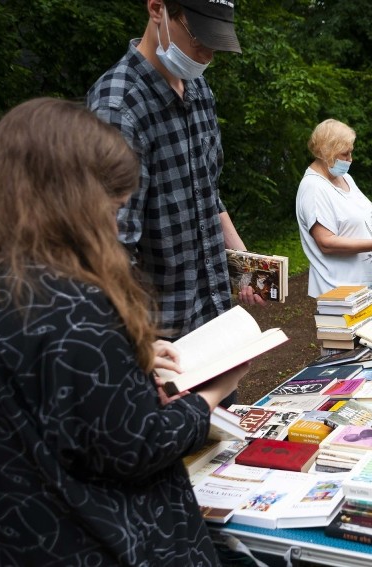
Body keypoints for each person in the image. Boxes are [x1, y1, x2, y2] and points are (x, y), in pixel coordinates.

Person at [0, 98, 250, 565]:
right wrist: (214, 393)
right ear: (73, 201)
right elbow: (135, 444)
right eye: (113, 209)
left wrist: (123, 356)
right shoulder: (72, 302)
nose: (115, 225)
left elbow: (30, 393)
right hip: (92, 544)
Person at [87, 0, 263, 345]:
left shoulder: (199, 91)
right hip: (161, 337)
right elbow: (110, 247)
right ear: (157, 10)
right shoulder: (117, 107)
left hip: (216, 320)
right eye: (199, 38)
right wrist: (141, 345)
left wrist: (244, 264)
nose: (207, 54)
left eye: (216, 43)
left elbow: (206, 192)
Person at [295, 119, 372, 297]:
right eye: (345, 154)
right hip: (337, 291)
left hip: (362, 288)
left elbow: (355, 224)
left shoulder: (345, 178)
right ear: (327, 151)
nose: (350, 159)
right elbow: (326, 243)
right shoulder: (314, 188)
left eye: (350, 153)